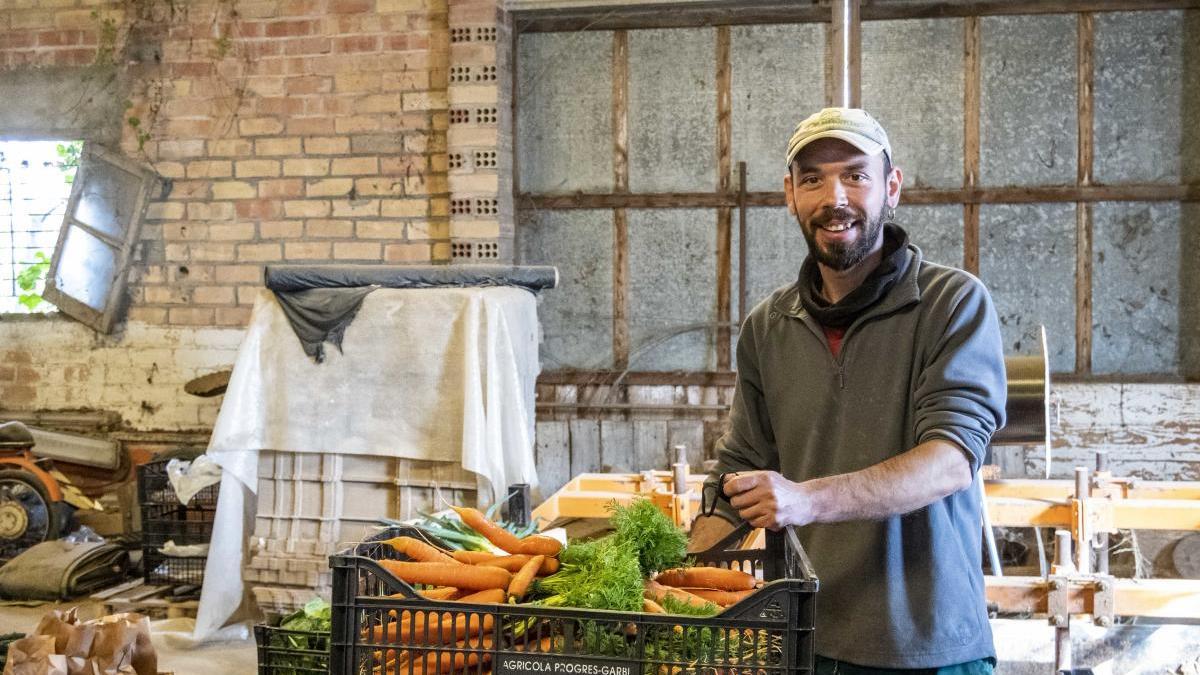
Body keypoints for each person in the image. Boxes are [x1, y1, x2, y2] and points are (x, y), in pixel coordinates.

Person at [690, 108, 1007, 674]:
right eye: (812, 178)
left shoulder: (951, 303)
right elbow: (739, 467)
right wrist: (668, 569)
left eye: (855, 175)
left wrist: (806, 499)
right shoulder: (768, 325)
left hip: (928, 647)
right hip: (805, 641)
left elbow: (951, 460)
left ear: (892, 186)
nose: (833, 196)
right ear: (790, 194)